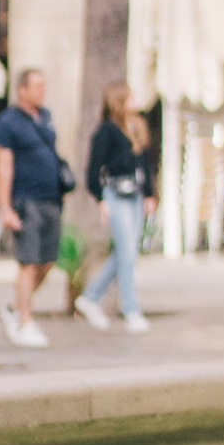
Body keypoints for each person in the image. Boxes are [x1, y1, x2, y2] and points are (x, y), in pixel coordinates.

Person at [0, 68, 74, 350]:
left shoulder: (45, 118)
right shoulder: (8, 123)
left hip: (51, 198)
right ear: (22, 90)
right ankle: (25, 320)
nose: (42, 91)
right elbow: (3, 167)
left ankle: (15, 307)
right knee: (28, 262)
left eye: (44, 85)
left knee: (47, 261)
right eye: (37, 86)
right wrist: (5, 208)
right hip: (25, 200)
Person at [77, 79, 154, 331]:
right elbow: (93, 170)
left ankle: (89, 298)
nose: (135, 101)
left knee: (127, 252)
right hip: (115, 195)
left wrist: (150, 194)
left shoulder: (136, 127)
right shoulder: (106, 132)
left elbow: (144, 165)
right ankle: (131, 311)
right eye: (130, 97)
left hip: (135, 195)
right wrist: (100, 199)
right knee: (127, 253)